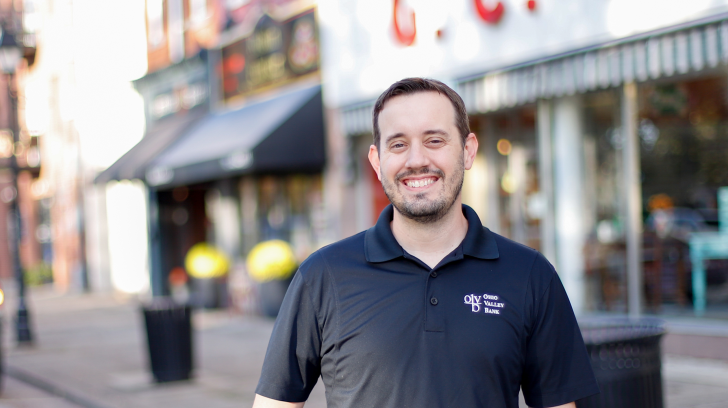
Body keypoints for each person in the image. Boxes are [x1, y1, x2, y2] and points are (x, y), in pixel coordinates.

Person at [253, 78, 598, 408]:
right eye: (398, 144)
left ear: (468, 151)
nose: (416, 160)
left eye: (434, 140)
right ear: (376, 160)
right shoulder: (323, 276)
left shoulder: (529, 274)